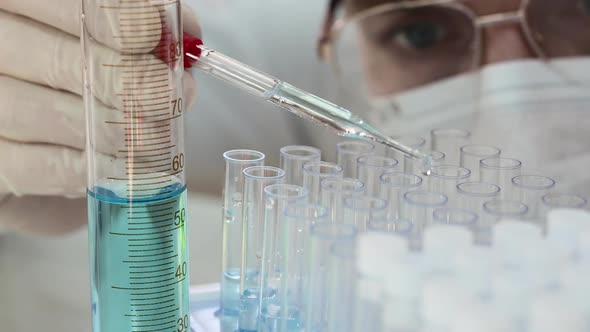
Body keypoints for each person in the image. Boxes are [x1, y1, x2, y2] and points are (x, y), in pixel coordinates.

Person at [0, 0, 588, 330]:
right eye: (423, 32)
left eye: (578, 13)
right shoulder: (317, 53)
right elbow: (111, 88)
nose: (512, 85)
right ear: (331, 42)